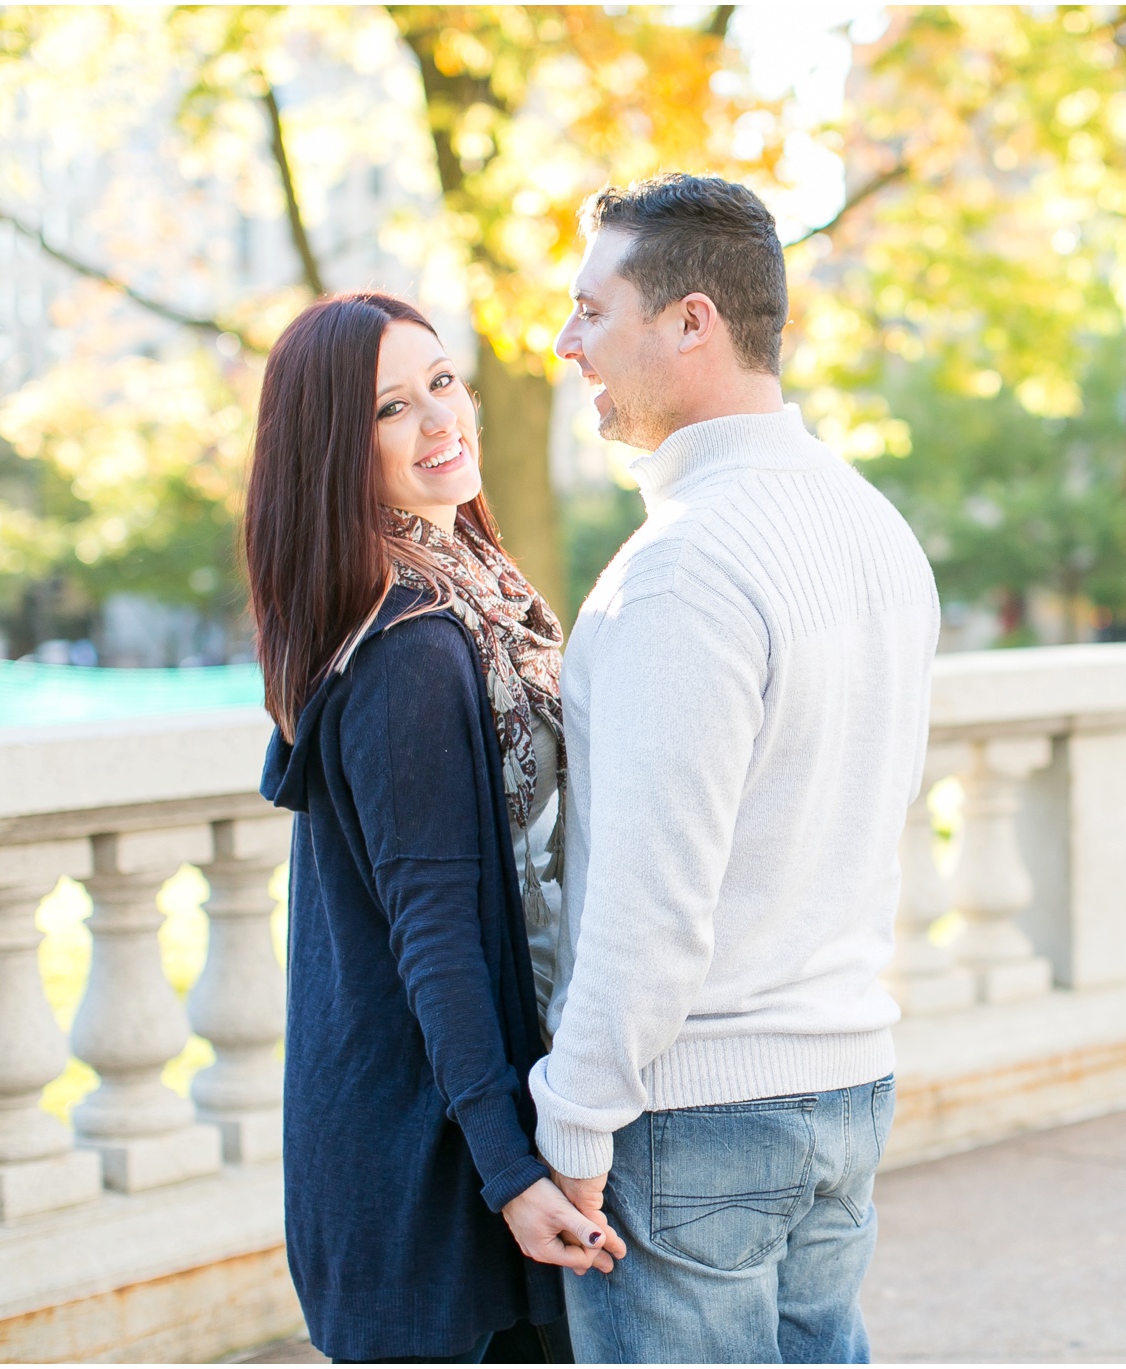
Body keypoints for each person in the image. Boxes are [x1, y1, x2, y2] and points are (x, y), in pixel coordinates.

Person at [528, 173, 940, 1364]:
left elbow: (652, 903)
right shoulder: (874, 527)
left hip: (693, 1114)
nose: (566, 345)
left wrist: (574, 1120)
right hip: (847, 1088)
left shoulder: (683, 568)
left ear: (692, 320)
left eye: (591, 311)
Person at [247, 291, 626, 1364]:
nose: (439, 421)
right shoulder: (411, 648)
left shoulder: (466, 600)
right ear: (332, 446)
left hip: (443, 1126)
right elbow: (434, 933)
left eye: (443, 383)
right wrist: (510, 1174)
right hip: (428, 1163)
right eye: (390, 408)